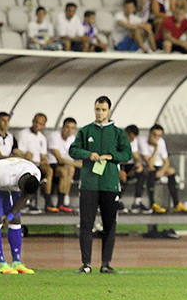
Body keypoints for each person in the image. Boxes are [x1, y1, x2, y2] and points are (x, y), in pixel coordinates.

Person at [69, 96, 131, 274]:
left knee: (109, 224)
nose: (100, 112)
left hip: (110, 185)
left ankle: (106, 263)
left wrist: (111, 156)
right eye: (97, 109)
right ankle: (86, 263)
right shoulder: (86, 130)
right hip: (89, 184)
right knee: (86, 224)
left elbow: (127, 153)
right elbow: (73, 150)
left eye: (103, 109)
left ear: (109, 111)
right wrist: (88, 154)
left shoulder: (118, 133)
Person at [0, 157, 41, 274]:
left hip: (12, 183)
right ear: (21, 184)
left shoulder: (36, 174)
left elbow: (24, 197)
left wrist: (9, 217)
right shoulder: (5, 176)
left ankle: (17, 262)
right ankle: (2, 264)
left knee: (16, 220)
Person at [138, 124, 187, 214]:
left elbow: (166, 161)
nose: (157, 138)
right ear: (150, 133)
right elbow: (149, 163)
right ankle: (152, 203)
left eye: (159, 136)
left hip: (157, 167)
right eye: (154, 135)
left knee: (171, 171)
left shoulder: (161, 141)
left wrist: (162, 171)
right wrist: (156, 148)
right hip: (145, 167)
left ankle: (176, 204)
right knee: (151, 170)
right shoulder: (142, 140)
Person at [17, 112, 55, 213]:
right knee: (31, 171)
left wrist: (44, 162)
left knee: (49, 170)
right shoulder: (23, 134)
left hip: (38, 164)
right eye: (36, 122)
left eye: (40, 124)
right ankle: (27, 201)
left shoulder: (42, 138)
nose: (37, 126)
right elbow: (20, 152)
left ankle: (47, 200)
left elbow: (42, 156)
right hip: (27, 163)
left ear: (44, 126)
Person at [47, 117, 81, 213]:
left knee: (70, 169)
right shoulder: (54, 136)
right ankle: (61, 201)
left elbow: (75, 155)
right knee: (65, 170)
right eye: (67, 127)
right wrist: (77, 164)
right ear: (63, 127)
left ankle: (63, 200)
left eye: (72, 128)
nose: (69, 131)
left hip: (66, 165)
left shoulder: (72, 139)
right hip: (52, 164)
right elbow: (59, 159)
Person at [119, 124, 151, 214]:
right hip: (118, 165)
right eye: (131, 138)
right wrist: (119, 171)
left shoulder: (133, 141)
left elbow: (136, 156)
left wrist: (138, 165)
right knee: (120, 176)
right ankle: (117, 200)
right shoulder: (116, 140)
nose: (132, 140)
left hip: (129, 165)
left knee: (142, 172)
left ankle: (137, 201)